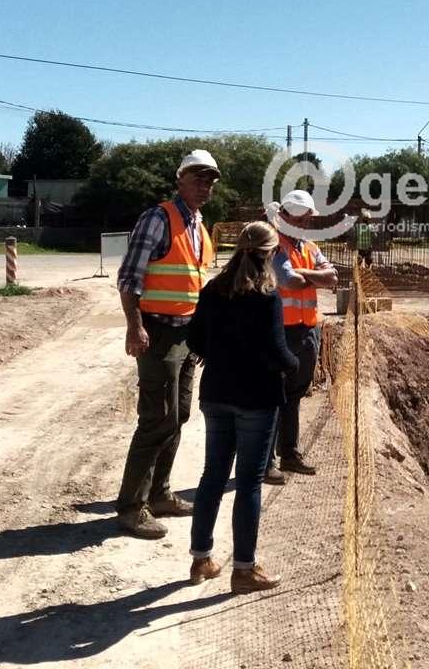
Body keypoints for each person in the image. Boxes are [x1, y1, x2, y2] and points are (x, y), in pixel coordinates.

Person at [186, 221, 298, 594]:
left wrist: (218, 355)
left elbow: (194, 338)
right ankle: (244, 570)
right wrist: (295, 366)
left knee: (213, 476)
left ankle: (201, 559)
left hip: (216, 393)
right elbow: (278, 352)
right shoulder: (266, 297)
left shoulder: (213, 290)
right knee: (249, 482)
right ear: (271, 253)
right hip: (256, 399)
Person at [114, 149, 219, 539]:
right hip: (157, 332)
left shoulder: (198, 226)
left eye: (210, 180)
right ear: (180, 179)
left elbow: (195, 284)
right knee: (156, 418)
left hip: (187, 334)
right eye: (198, 178)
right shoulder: (158, 219)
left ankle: (159, 494)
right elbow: (129, 278)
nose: (205, 186)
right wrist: (134, 326)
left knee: (179, 416)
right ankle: (131, 507)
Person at [269, 189, 338, 480]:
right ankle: (266, 461)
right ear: (286, 216)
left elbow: (332, 278)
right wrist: (312, 275)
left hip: (308, 330)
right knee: (274, 395)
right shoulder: (274, 245)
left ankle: (289, 454)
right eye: (301, 219)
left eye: (308, 219)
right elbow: (288, 281)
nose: (306, 224)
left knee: (295, 395)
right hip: (279, 332)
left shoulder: (308, 247)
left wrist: (303, 273)